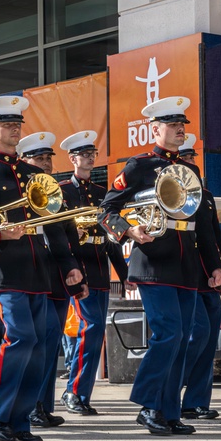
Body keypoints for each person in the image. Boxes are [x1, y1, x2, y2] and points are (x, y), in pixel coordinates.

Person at [0, 96, 83, 441]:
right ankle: (0, 414)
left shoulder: (35, 175)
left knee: (41, 345)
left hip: (37, 270)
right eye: (7, 124)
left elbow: (53, 225)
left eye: (17, 124)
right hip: (4, 270)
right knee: (21, 339)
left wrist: (69, 267)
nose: (15, 129)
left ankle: (21, 420)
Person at [99, 96, 221, 436]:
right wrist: (130, 231)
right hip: (153, 263)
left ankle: (168, 412)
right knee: (169, 334)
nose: (180, 129)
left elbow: (204, 224)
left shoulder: (191, 170)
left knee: (182, 338)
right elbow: (105, 210)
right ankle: (149, 403)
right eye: (172, 124)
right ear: (155, 129)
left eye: (182, 124)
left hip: (186, 266)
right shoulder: (138, 166)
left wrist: (214, 266)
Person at [16, 131, 87, 430]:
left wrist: (76, 273)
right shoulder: (19, 191)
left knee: (49, 345)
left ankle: (42, 406)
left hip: (56, 276)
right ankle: (29, 405)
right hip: (30, 272)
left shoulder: (54, 191)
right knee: (34, 345)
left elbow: (65, 236)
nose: (45, 163)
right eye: (38, 158)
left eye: (47, 158)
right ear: (25, 160)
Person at [58, 130, 129, 415]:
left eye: (92, 154)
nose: (89, 158)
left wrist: (124, 274)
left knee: (93, 333)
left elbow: (111, 239)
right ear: (73, 158)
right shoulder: (62, 191)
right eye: (84, 154)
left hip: (99, 269)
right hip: (78, 270)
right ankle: (74, 392)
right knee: (91, 329)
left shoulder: (102, 194)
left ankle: (78, 393)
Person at [175, 134, 221, 420]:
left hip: (209, 276)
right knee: (198, 334)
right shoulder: (171, 193)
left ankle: (195, 402)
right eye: (183, 158)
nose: (188, 162)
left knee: (208, 341)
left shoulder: (205, 196)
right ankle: (170, 389)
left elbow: (216, 238)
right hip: (184, 274)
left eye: (190, 157)